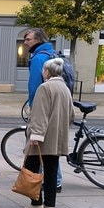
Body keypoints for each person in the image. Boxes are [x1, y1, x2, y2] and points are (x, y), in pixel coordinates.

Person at [19, 58, 75, 208]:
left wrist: (35, 136)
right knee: (51, 170)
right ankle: (50, 204)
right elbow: (71, 115)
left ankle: (36, 203)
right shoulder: (65, 88)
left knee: (32, 169)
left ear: (47, 71)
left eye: (43, 70)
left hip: (42, 138)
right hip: (57, 138)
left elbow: (39, 115)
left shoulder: (44, 88)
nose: (42, 73)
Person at [24, 28, 64, 193]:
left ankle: (49, 181)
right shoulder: (53, 54)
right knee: (52, 146)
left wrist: (32, 106)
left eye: (28, 39)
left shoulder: (39, 58)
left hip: (43, 104)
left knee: (39, 144)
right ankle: (55, 181)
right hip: (57, 103)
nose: (25, 42)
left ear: (38, 40)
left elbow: (34, 86)